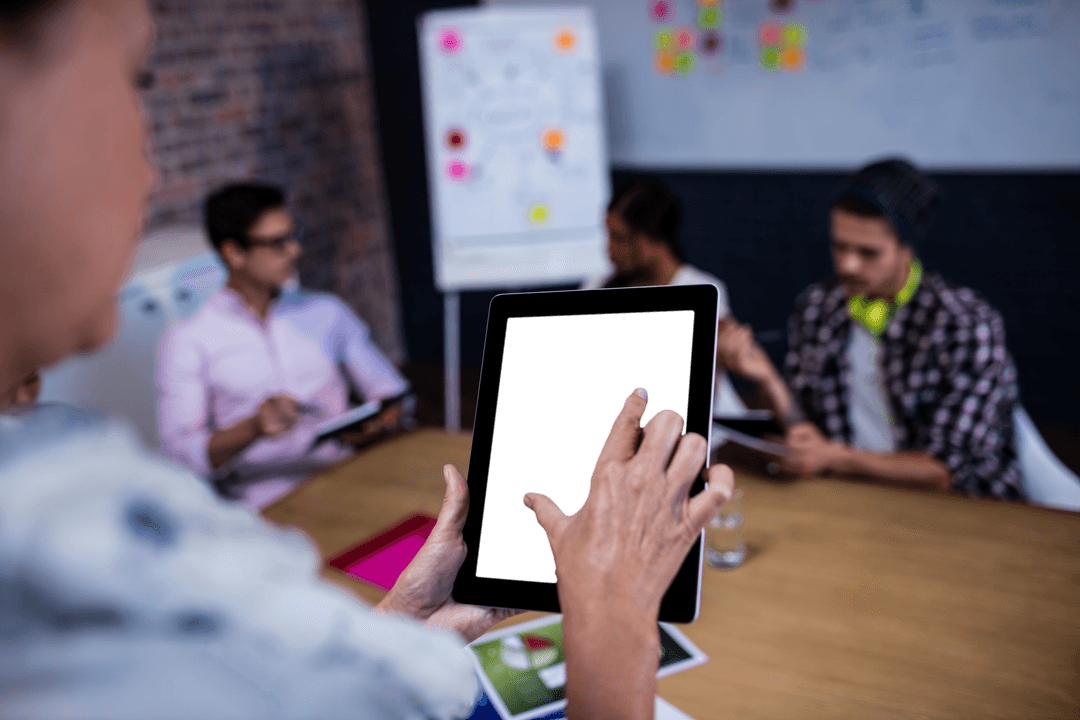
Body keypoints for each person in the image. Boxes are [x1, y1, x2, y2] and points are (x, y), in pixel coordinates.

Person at [0, 2, 735, 718]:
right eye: (136, 80)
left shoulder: (71, 505)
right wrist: (612, 614)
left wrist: (408, 621)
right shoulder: (70, 559)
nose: (150, 172)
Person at [717, 158, 1023, 499]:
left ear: (907, 248)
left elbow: (944, 471)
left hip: (961, 508)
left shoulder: (964, 323)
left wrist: (836, 458)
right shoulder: (820, 305)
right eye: (839, 247)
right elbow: (805, 432)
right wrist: (765, 377)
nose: (848, 265)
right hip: (851, 496)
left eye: (868, 253)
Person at [157, 182, 410, 509]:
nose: (294, 251)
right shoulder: (188, 341)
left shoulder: (326, 311)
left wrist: (380, 421)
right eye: (278, 243)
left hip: (345, 474)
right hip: (262, 502)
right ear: (233, 253)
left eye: (293, 235)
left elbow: (391, 391)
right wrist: (253, 428)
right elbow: (180, 456)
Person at [583, 179, 748, 416]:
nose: (608, 248)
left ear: (651, 240)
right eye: (608, 236)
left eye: (619, 238)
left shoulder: (700, 290)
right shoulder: (597, 286)